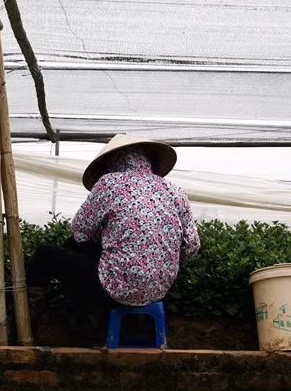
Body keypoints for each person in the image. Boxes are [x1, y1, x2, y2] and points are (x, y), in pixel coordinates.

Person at [26, 134, 201, 343]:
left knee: (47, 254)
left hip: (115, 287)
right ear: (147, 160)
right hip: (159, 289)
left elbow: (80, 232)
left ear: (113, 162)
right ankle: (106, 321)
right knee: (78, 249)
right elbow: (192, 245)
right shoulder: (175, 191)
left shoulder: (109, 184)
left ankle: (31, 323)